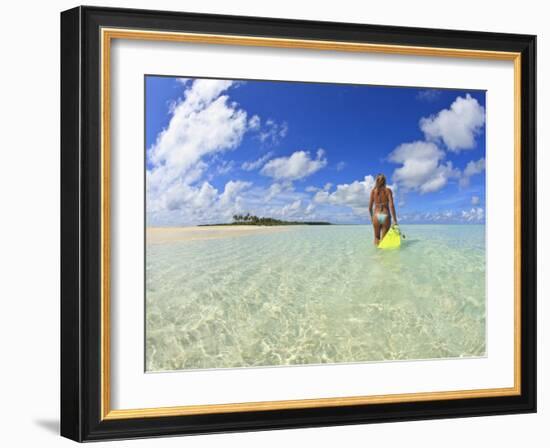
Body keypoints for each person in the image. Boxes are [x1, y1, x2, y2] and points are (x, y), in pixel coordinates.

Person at [369, 174, 398, 245]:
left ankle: (376, 255)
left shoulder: (373, 191)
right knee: (384, 239)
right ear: (385, 181)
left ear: (376, 181)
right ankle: (383, 255)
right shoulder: (388, 190)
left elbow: (370, 207)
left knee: (376, 237)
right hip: (385, 214)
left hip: (376, 215)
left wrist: (371, 217)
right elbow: (391, 205)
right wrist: (395, 220)